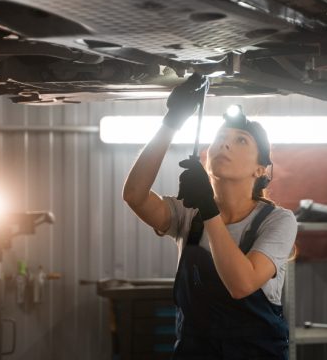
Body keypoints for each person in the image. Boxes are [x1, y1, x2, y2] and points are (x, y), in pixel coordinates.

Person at [123, 74, 297, 359]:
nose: (226, 144)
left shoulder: (277, 221)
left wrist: (208, 210)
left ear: (261, 170)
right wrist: (171, 122)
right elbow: (135, 196)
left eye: (241, 140)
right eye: (220, 138)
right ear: (206, 157)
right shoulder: (188, 213)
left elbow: (241, 285)